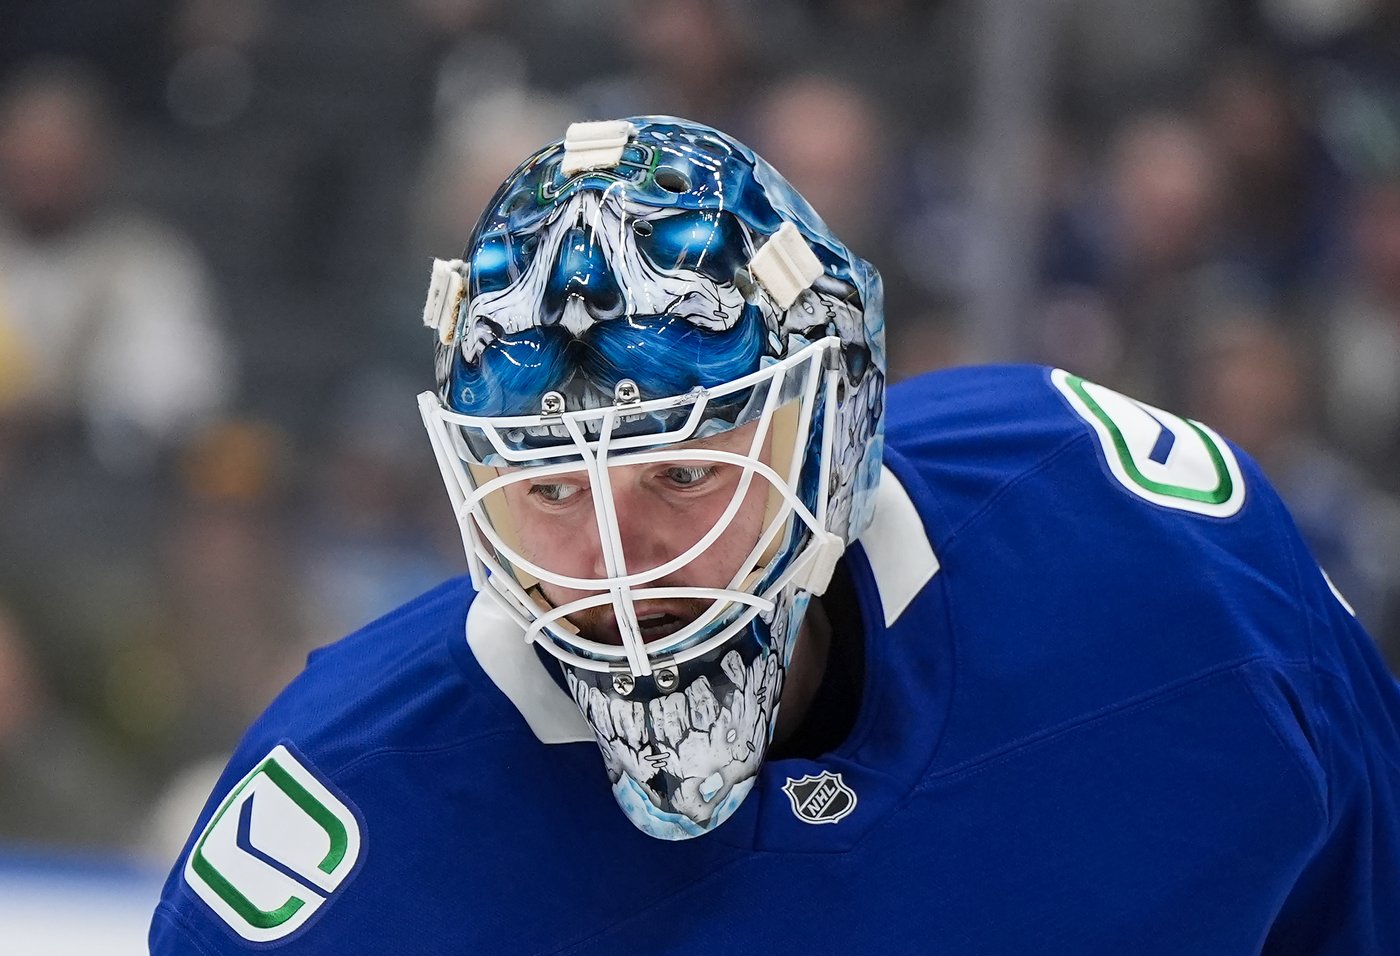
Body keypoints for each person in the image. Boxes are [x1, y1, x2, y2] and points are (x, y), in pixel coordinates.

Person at [150, 116, 1400, 953]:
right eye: (544, 487)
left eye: (683, 473)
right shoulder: (342, 851)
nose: (614, 561)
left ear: (832, 428)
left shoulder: (1156, 568)